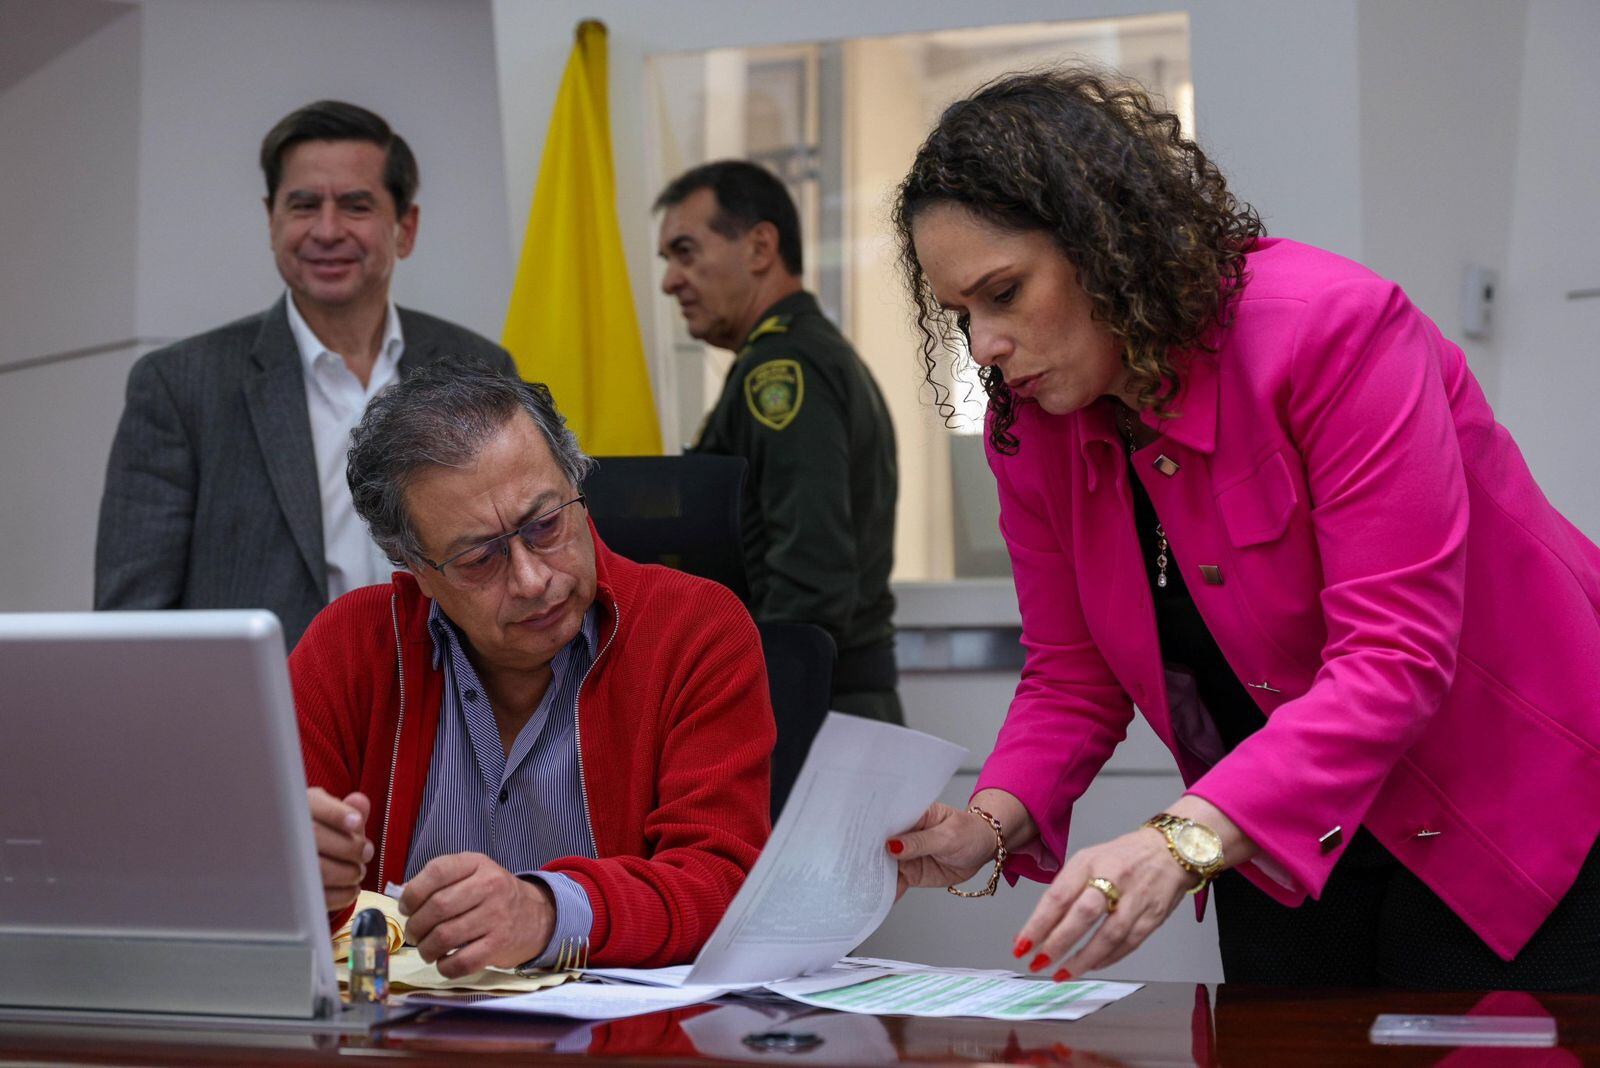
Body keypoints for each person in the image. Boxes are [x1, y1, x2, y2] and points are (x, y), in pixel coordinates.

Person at [885, 69, 1600, 990]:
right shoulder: (1032, 434)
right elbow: (1073, 672)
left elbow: (1395, 655)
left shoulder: (1334, 332)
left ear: (1104, 246)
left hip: (1504, 807)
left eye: (1005, 293)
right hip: (1274, 824)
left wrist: (1180, 837)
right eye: (961, 314)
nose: (982, 344)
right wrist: (985, 823)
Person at [294, 360, 773, 973]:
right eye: (477, 559)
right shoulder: (351, 647)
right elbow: (271, 892)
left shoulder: (694, 629)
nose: (531, 579)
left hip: (619, 1041)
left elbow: (721, 883)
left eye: (546, 525)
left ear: (578, 487)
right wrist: (296, 880)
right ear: (415, 570)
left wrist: (547, 913)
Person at [95, 100, 514, 649]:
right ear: (272, 220)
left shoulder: (478, 369)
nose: (327, 229)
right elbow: (133, 623)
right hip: (261, 720)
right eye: (303, 205)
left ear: (405, 228)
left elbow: (514, 559)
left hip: (452, 716)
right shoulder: (181, 386)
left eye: (356, 205)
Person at [655, 161, 903, 725]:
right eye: (667, 260)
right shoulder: (799, 355)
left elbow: (810, 576)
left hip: (809, 707)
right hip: (820, 698)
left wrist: (749, 712)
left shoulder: (784, 369)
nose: (670, 280)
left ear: (761, 247)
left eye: (686, 252)